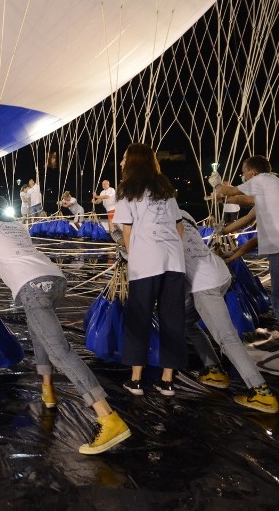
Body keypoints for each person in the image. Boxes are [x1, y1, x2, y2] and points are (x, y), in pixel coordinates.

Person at [0, 195, 130, 454]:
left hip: (32, 288)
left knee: (60, 351)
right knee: (39, 333)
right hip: (54, 280)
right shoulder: (17, 226)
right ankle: (47, 390)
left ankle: (108, 417)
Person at [178, 211, 277, 412]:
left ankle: (261, 392)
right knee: (185, 320)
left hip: (204, 284)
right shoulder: (184, 214)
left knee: (226, 336)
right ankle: (214, 369)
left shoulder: (157, 218)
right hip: (219, 272)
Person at [113, 144, 187, 397]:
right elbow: (180, 227)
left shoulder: (128, 191)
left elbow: (127, 231)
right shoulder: (165, 188)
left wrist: (133, 255)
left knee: (139, 319)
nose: (122, 163)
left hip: (146, 262)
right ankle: (167, 380)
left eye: (124, 159)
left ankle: (136, 380)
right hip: (175, 261)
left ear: (133, 162)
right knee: (173, 319)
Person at [215, 155, 279, 317]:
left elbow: (231, 192)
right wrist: (221, 232)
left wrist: (216, 184)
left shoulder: (261, 179)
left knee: (277, 297)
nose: (243, 177)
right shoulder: (271, 188)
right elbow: (247, 218)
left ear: (252, 173)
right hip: (276, 249)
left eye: (243, 173)